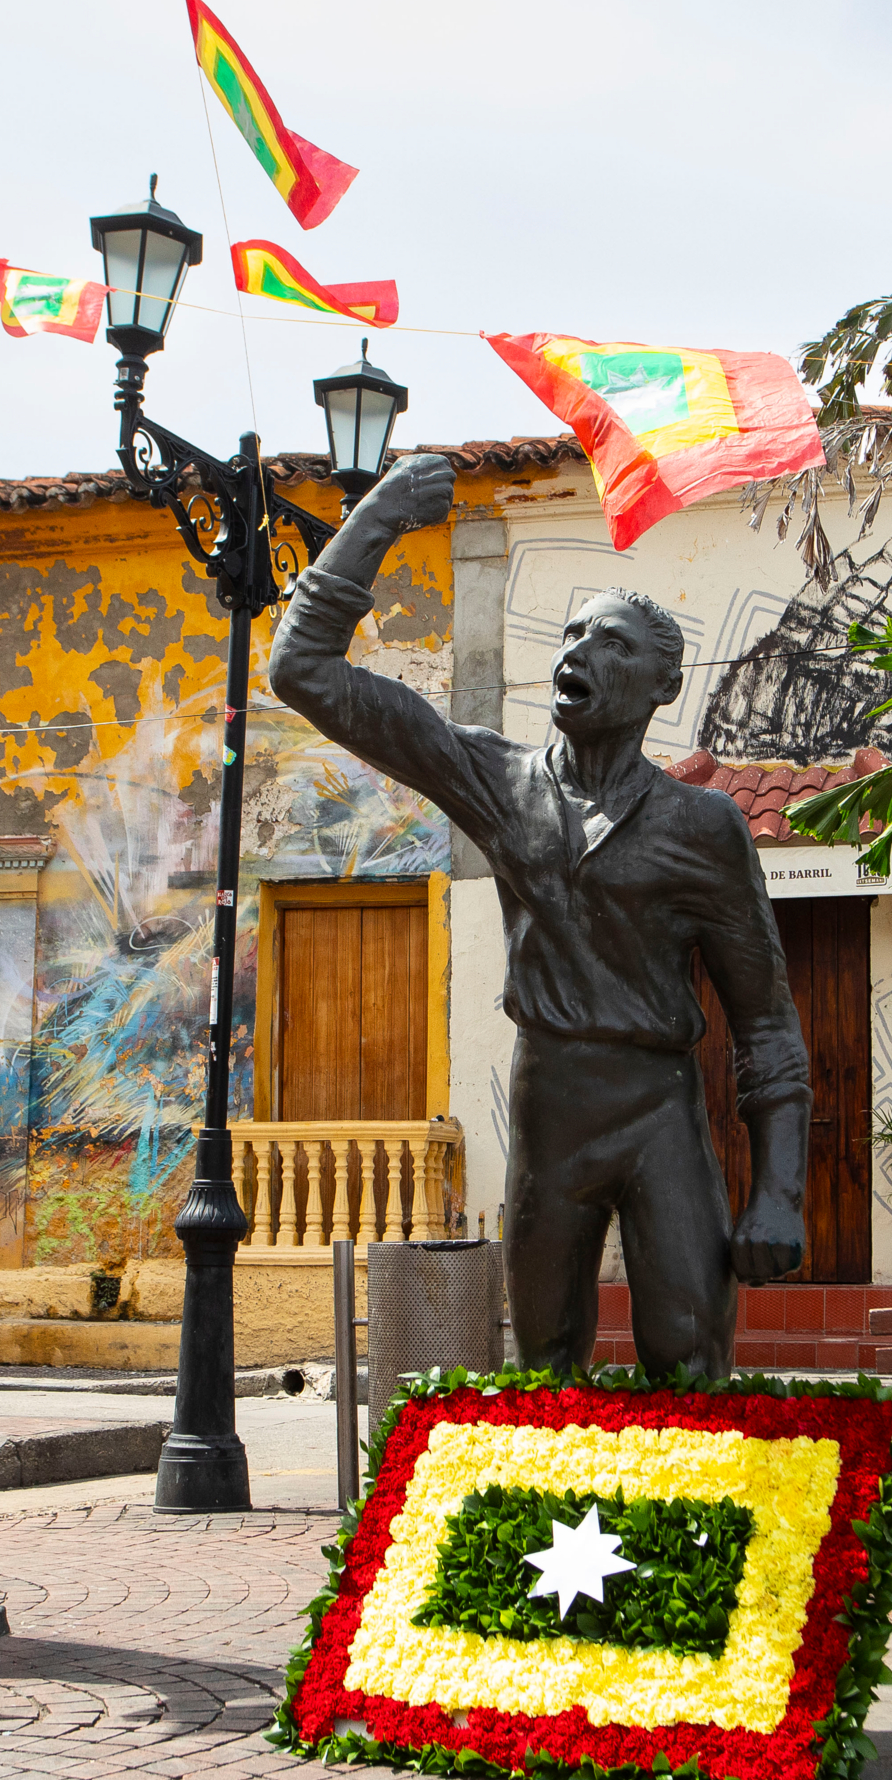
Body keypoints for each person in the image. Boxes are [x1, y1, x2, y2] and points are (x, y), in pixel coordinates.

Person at [268, 452, 810, 1380]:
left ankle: (690, 1524)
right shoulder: (497, 780)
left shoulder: (704, 826)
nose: (578, 655)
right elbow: (304, 672)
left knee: (687, 1355)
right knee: (544, 1364)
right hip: (550, 1099)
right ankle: (550, 1531)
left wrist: (779, 1196)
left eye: (612, 646)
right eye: (571, 634)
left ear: (661, 690)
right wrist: (378, 520)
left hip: (658, 1105)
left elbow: (764, 1021)